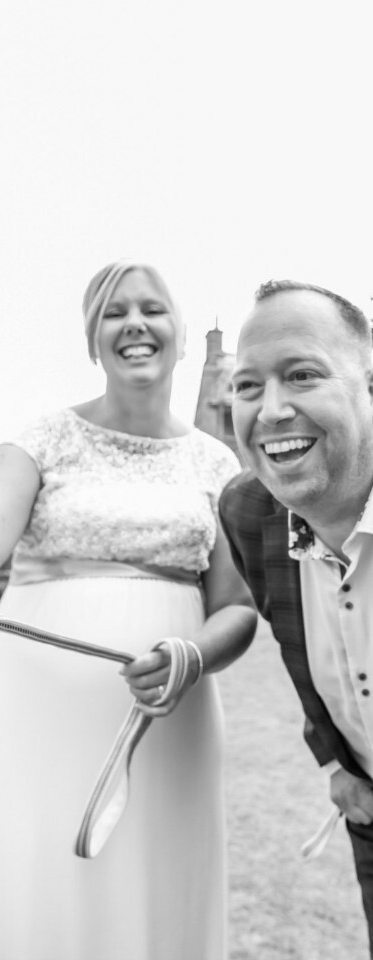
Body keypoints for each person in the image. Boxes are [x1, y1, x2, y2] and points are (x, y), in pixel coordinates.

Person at [0, 261, 257, 960]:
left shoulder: (219, 465)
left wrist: (192, 657)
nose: (134, 323)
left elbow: (236, 608)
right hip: (26, 717)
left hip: (171, 721)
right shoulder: (38, 441)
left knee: (153, 896)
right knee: (31, 894)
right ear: (92, 340)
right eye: (113, 312)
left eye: (152, 309)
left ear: (183, 334)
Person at [218, 279, 373, 954]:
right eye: (248, 387)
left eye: (302, 375)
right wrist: (336, 763)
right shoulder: (249, 513)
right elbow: (300, 648)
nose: (271, 410)